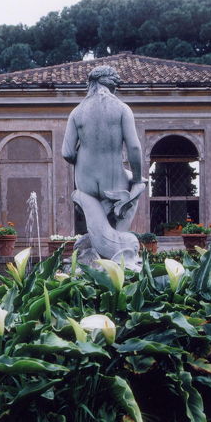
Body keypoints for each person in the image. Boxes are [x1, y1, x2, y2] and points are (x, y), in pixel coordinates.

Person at [62, 65, 146, 269]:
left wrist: (82, 156)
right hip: (113, 180)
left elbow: (66, 152)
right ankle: (119, 245)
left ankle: (98, 248)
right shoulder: (122, 109)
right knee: (137, 187)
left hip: (84, 181)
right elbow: (134, 147)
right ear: (110, 84)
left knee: (98, 207)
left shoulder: (77, 112)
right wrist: (137, 179)